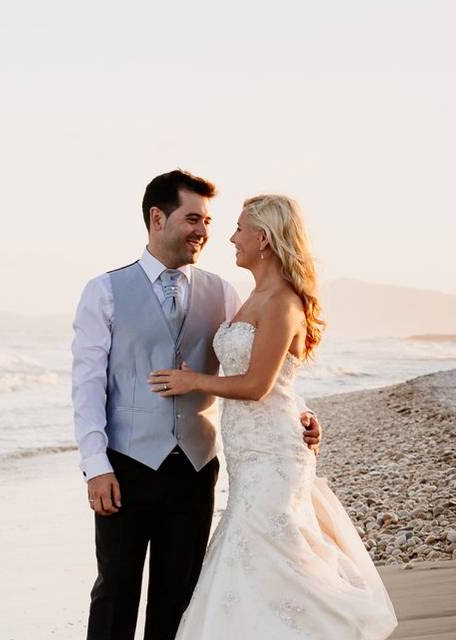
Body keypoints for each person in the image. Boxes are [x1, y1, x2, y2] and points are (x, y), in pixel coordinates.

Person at [71, 170, 322, 640]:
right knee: (115, 590)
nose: (205, 232)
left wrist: (300, 413)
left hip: (195, 466)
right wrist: (95, 465)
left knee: (180, 595)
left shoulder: (225, 292)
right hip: (126, 465)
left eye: (208, 221)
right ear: (157, 217)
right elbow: (86, 386)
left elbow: (258, 364)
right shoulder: (103, 291)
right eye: (193, 219)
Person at [149, 194, 397, 639]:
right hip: (251, 457)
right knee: (257, 562)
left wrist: (195, 383)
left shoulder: (282, 302)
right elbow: (283, 381)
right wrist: (304, 411)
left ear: (262, 238)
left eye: (240, 229)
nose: (230, 237)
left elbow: (257, 385)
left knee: (271, 559)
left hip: (274, 460)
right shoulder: (251, 298)